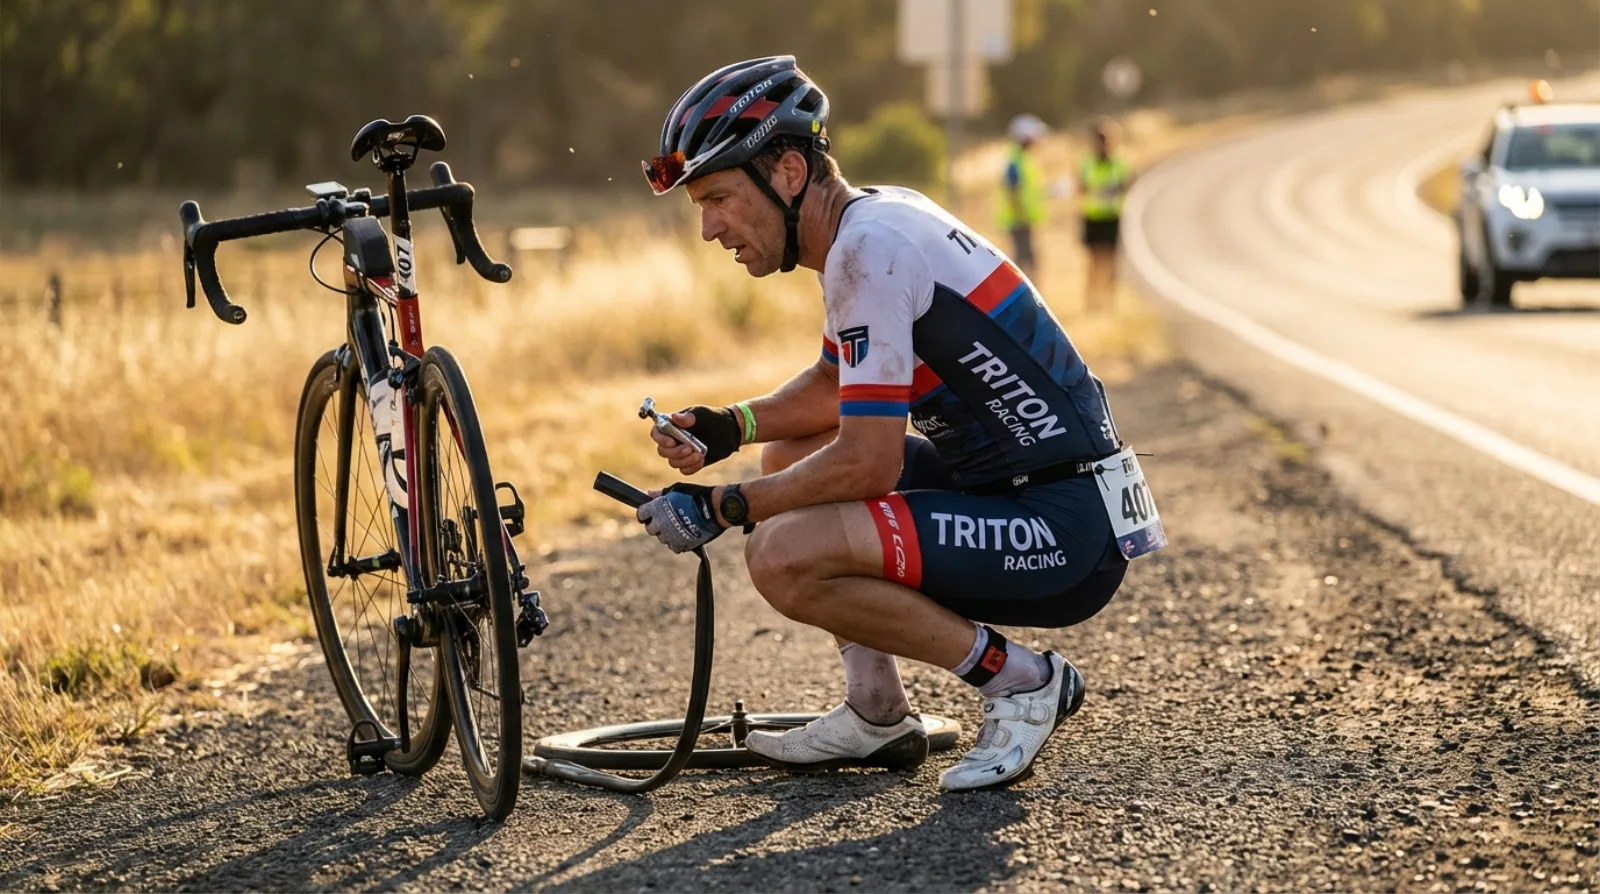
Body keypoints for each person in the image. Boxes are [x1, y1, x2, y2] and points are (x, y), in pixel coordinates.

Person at [635, 56, 1166, 792]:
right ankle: (876, 712)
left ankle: (1022, 682)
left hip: (1060, 527)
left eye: (719, 197)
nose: (708, 228)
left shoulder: (868, 252)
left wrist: (722, 507)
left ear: (789, 173)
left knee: (781, 555)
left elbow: (868, 465)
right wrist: (732, 425)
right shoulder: (871, 222)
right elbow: (833, 386)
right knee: (789, 451)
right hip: (1027, 490)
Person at [1079, 118, 1133, 314]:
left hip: (1111, 216)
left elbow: (1126, 185)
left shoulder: (1118, 163)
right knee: (1093, 261)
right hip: (1093, 216)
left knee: (1111, 260)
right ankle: (1092, 300)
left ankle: (1110, 301)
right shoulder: (1087, 163)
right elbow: (1081, 187)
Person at [997, 114, 1049, 279]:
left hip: (1025, 218)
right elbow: (1013, 191)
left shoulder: (1023, 159)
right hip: (1020, 219)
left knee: (1027, 259)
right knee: (1024, 261)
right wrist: (1021, 214)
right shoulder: (1016, 161)